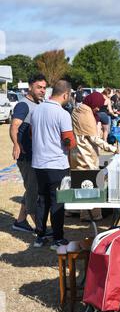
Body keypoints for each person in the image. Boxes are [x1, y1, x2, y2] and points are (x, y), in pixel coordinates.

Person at [31, 80, 76, 250]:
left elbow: (31, 134)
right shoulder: (62, 113)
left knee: (42, 200)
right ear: (65, 94)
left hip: (39, 163)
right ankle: (57, 238)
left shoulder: (37, 110)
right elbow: (68, 140)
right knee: (58, 201)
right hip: (56, 163)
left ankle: (40, 236)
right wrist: (73, 145)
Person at [10, 74, 47, 233]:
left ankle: (20, 221)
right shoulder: (23, 105)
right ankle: (40, 228)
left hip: (36, 155)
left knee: (31, 187)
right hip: (26, 156)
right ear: (30, 86)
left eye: (44, 87)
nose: (43, 91)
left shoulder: (38, 104)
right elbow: (14, 126)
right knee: (33, 190)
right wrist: (16, 144)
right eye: (39, 87)